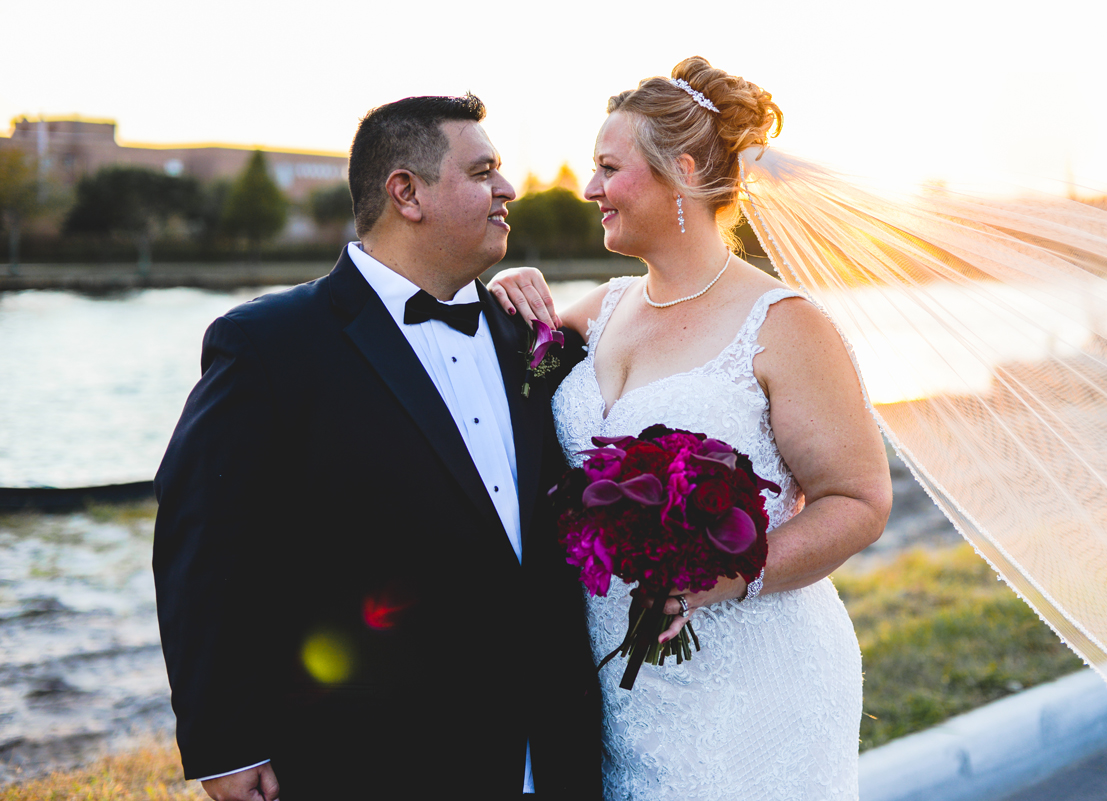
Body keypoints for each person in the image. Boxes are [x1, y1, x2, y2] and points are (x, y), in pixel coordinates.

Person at [153, 94, 602, 801]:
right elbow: (202, 550)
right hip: (369, 753)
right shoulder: (269, 344)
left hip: (548, 749)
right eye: (483, 171)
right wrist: (226, 742)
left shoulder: (526, 333)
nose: (508, 189)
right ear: (407, 192)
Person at [492, 57, 893, 799]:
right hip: (624, 689)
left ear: (679, 172)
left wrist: (717, 576)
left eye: (609, 167)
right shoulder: (602, 309)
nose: (589, 189)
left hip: (757, 685)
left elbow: (861, 499)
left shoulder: (784, 325)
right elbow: (515, 379)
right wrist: (506, 291)